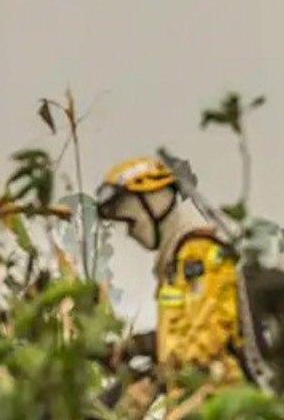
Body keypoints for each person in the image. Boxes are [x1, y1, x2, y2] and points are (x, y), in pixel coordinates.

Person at [96, 155, 245, 413]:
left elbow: (204, 346)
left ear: (153, 203)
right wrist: (137, 347)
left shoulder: (198, 255)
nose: (130, 233)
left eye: (130, 221)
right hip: (189, 403)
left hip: (216, 405)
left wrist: (153, 381)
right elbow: (183, 333)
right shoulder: (176, 262)